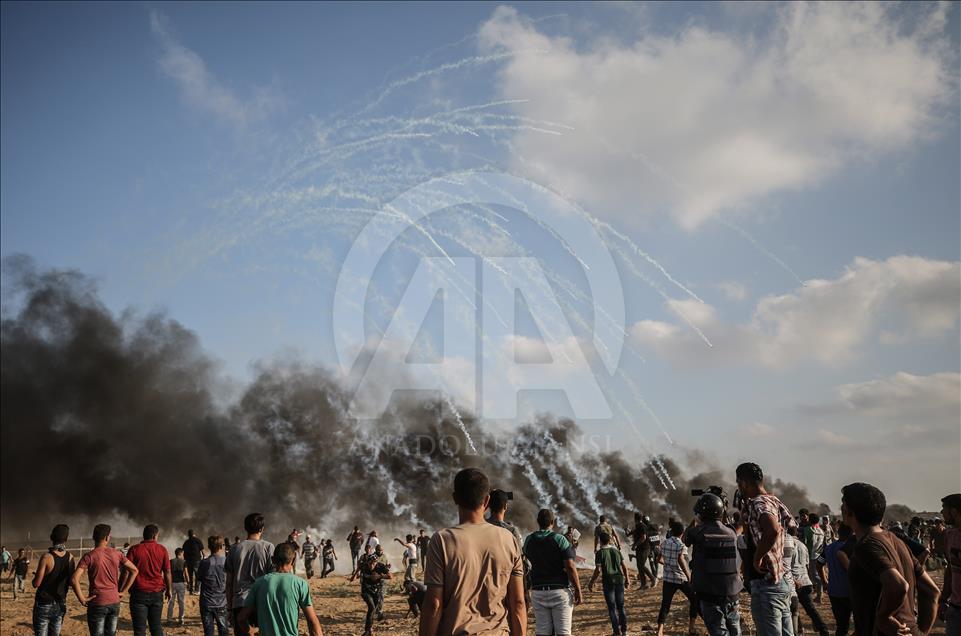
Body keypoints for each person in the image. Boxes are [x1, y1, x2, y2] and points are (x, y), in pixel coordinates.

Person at [419, 467, 526, 636]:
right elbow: (518, 602)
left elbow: (434, 604)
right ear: (487, 501)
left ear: (455, 498)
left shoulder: (441, 540)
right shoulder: (508, 539)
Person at [841, 482, 940, 636]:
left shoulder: (866, 546)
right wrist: (919, 633)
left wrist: (884, 618)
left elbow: (898, 586)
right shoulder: (897, 541)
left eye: (843, 503)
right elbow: (931, 592)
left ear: (848, 511)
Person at [735, 462, 795, 636]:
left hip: (766, 584)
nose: (739, 488)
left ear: (744, 483)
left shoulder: (759, 503)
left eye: (739, 483)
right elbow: (790, 525)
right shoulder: (773, 500)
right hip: (780, 581)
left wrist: (757, 557)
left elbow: (773, 530)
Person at [684, 493, 742, 636]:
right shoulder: (731, 532)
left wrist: (695, 520)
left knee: (718, 631)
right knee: (735, 630)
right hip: (732, 593)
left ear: (701, 513)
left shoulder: (696, 532)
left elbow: (685, 539)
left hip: (710, 594)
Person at [236, 543, 323, 636]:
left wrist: (251, 630)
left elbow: (241, 618)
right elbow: (312, 621)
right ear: (293, 561)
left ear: (273, 560)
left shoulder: (259, 583)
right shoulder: (299, 583)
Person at [71, 524, 140, 636]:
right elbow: (134, 571)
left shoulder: (89, 556)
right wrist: (123, 591)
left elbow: (74, 579)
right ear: (107, 538)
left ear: (94, 537)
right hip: (114, 601)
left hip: (97, 602)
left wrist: (82, 599)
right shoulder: (118, 554)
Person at [523, 508, 582, 636]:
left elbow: (525, 561)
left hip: (538, 592)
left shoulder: (529, 540)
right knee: (563, 632)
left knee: (543, 632)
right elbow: (570, 567)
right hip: (559, 591)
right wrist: (578, 589)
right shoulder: (559, 539)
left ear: (538, 522)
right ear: (552, 522)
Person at [225, 512, 275, 636]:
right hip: (262, 603)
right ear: (262, 529)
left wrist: (230, 609)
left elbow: (229, 583)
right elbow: (273, 580)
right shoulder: (268, 548)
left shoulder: (234, 549)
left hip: (239, 603)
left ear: (245, 527)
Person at [126, 524, 173, 636]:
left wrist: (122, 589)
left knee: (139, 630)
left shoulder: (134, 549)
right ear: (154, 536)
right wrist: (169, 590)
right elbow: (167, 572)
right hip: (157, 593)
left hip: (138, 593)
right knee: (156, 627)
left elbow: (126, 571)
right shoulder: (162, 549)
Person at [32, 524, 76, 636]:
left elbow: (36, 584)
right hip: (60, 603)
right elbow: (71, 581)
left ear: (51, 537)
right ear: (66, 539)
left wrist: (35, 576)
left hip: (44, 603)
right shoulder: (71, 557)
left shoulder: (46, 557)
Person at [656, 520, 698, 636]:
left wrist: (668, 564)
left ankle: (659, 630)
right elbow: (681, 560)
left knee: (665, 605)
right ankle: (692, 628)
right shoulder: (681, 545)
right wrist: (689, 577)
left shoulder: (664, 543)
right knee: (694, 600)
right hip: (681, 579)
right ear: (682, 533)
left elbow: (658, 560)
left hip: (668, 579)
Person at [587, 530, 631, 636]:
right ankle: (624, 631)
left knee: (612, 607)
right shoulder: (616, 551)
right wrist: (627, 579)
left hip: (608, 581)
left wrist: (591, 582)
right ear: (609, 540)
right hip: (619, 580)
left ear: (600, 542)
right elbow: (624, 567)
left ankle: (616, 632)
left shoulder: (600, 553)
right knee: (621, 606)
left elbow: (598, 570)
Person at [788, 528, 829, 636]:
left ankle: (797, 631)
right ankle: (823, 630)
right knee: (811, 610)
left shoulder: (787, 545)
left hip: (794, 582)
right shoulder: (803, 545)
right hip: (806, 581)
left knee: (792, 610)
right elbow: (807, 565)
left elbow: (786, 566)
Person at [817, 522, 853, 636]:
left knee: (841, 626)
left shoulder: (829, 548)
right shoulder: (852, 547)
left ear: (838, 532)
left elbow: (819, 565)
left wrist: (824, 582)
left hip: (834, 592)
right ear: (852, 533)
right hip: (850, 592)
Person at [351, 543, 391, 636]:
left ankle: (370, 629)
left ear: (376, 562)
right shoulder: (364, 565)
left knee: (373, 609)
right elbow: (359, 568)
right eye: (371, 563)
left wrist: (380, 575)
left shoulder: (380, 566)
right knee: (371, 607)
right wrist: (354, 576)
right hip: (366, 590)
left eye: (374, 563)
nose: (372, 565)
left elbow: (390, 576)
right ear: (368, 562)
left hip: (376, 590)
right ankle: (367, 630)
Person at [938, 493, 961, 636]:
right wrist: (943, 599)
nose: (941, 512)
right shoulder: (950, 535)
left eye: (943, 508)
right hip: (955, 608)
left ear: (954, 511)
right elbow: (951, 569)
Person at [198, 535, 229, 636]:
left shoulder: (204, 563)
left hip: (206, 602)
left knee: (208, 632)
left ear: (209, 547)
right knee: (224, 632)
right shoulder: (227, 562)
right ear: (221, 546)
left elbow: (199, 578)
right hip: (222, 603)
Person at [629, 513, 657, 589]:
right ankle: (643, 584)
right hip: (640, 548)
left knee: (641, 565)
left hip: (645, 548)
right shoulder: (638, 526)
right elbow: (633, 535)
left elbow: (643, 537)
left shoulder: (641, 526)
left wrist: (635, 545)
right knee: (639, 565)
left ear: (635, 518)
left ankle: (652, 578)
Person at [183, 530, 205, 596]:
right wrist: (204, 556)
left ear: (188, 535)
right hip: (196, 560)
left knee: (190, 575)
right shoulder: (197, 540)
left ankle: (191, 590)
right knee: (197, 575)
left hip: (188, 561)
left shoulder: (186, 542)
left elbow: (183, 551)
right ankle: (197, 590)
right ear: (193, 534)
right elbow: (202, 550)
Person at [168, 549, 186, 625]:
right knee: (181, 602)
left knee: (171, 602)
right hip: (181, 583)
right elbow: (186, 573)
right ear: (181, 553)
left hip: (172, 583)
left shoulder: (171, 561)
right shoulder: (184, 561)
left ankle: (169, 619)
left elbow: (168, 573)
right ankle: (181, 619)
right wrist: (187, 583)